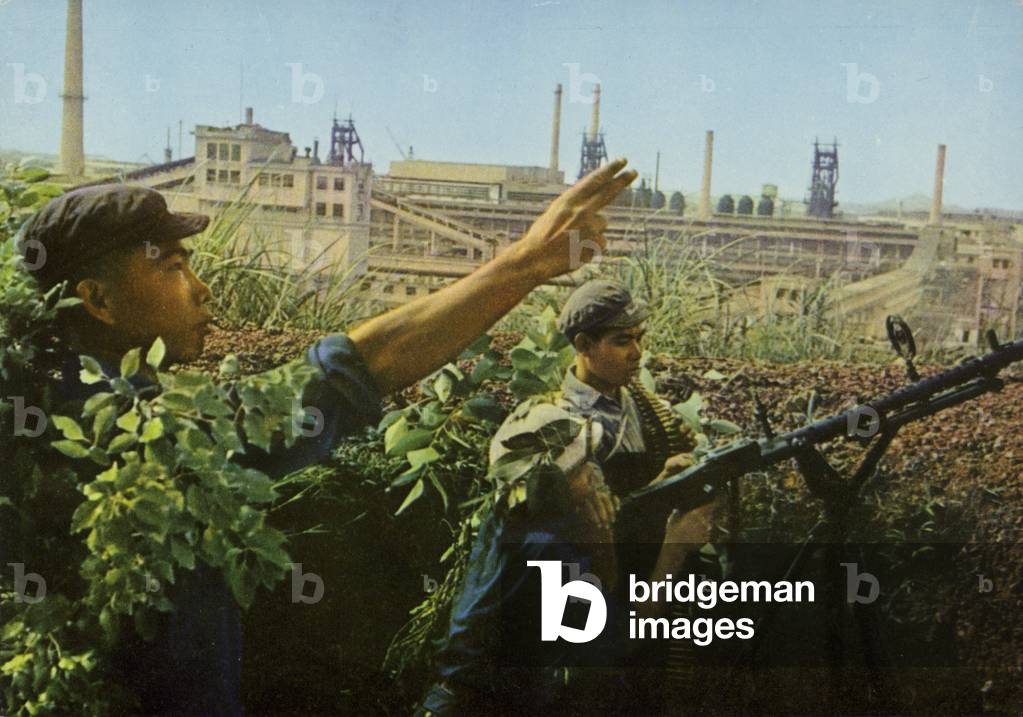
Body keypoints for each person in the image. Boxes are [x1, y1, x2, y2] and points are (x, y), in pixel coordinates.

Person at [11, 158, 636, 715]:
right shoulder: (118, 432)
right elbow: (350, 370)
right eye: (173, 266)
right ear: (97, 300)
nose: (200, 288)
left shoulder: (43, 397)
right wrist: (526, 261)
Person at [417, 280, 715, 716]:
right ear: (582, 345)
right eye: (585, 472)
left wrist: (656, 490)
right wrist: (673, 551)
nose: (636, 353)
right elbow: (620, 637)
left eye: (639, 339)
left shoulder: (557, 529)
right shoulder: (548, 550)